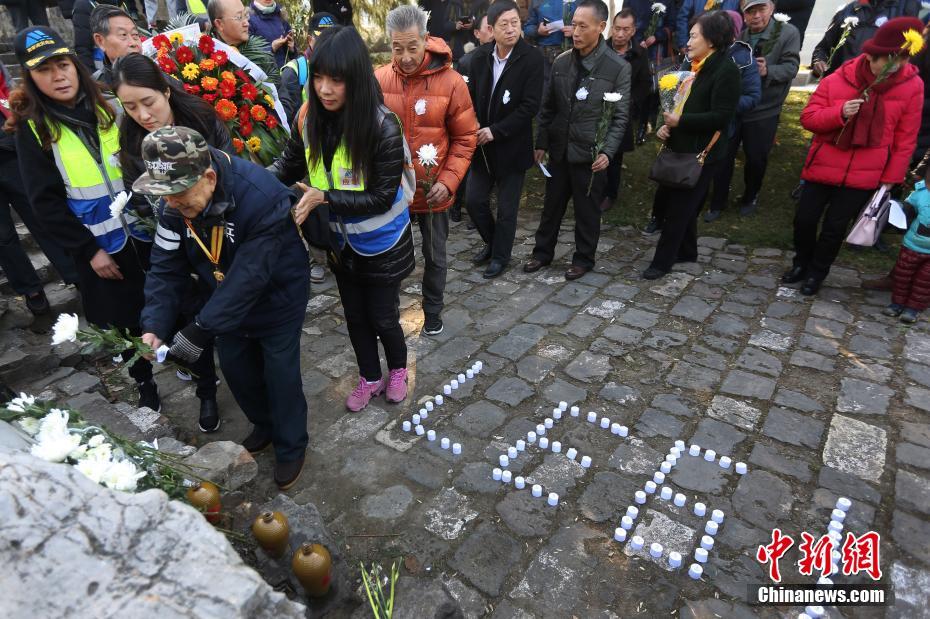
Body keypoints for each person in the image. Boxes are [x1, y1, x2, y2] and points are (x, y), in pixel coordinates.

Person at [135, 126, 310, 489]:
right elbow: (165, 269)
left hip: (276, 296)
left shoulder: (262, 196)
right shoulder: (173, 207)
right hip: (221, 304)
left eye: (180, 197)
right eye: (165, 197)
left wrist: (201, 328)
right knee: (238, 371)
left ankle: (292, 445)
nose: (172, 206)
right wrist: (153, 325)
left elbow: (251, 275)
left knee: (281, 375)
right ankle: (263, 423)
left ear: (209, 178)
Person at [9, 27, 160, 411]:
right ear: (31, 78)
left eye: (62, 65)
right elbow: (44, 203)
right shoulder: (34, 126)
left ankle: (193, 369)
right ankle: (145, 384)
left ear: (75, 64)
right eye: (45, 71)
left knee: (167, 302)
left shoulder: (110, 103)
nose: (58, 76)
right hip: (99, 246)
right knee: (124, 322)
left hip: (145, 230)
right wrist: (88, 249)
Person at [270, 26, 416, 413]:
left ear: (356, 77)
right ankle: (369, 376)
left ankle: (398, 369)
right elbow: (288, 165)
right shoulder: (308, 119)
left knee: (383, 317)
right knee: (354, 317)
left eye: (336, 79)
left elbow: (382, 196)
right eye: (318, 77)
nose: (325, 89)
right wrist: (243, 181)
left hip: (382, 242)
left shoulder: (383, 126)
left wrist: (324, 197)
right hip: (339, 245)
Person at [113, 52, 233, 432]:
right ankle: (206, 391)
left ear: (165, 90)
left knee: (221, 311)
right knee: (184, 313)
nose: (143, 115)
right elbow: (139, 194)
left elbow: (230, 174)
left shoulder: (202, 118)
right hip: (168, 237)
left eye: (148, 103)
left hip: (217, 233)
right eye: (130, 107)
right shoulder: (131, 138)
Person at [785, 17, 923, 296]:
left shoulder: (912, 86)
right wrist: (839, 113)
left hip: (865, 172)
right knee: (805, 219)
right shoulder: (839, 77)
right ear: (873, 56)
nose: (897, 66)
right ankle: (801, 262)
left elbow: (905, 138)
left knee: (835, 228)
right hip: (824, 164)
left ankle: (817, 273)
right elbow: (809, 117)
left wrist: (890, 180)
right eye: (891, 59)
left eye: (902, 59)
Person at [376, 4, 478, 336]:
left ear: (425, 40)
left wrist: (449, 182)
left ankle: (432, 311)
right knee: (388, 258)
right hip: (392, 194)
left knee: (435, 256)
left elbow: (465, 137)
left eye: (412, 47)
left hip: (434, 191)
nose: (404, 56)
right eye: (397, 47)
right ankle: (388, 313)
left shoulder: (451, 82)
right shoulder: (378, 80)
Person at [524, 0, 630, 281]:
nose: (576, 31)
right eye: (575, 25)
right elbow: (548, 109)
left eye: (584, 26)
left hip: (591, 155)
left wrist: (607, 151)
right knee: (551, 207)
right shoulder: (561, 62)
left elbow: (620, 117)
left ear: (601, 27)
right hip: (559, 150)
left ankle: (583, 258)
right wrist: (541, 143)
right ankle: (542, 253)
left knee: (587, 212)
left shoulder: (617, 68)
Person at [642, 11, 740, 280]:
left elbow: (722, 116)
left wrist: (680, 120)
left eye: (694, 35)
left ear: (711, 40)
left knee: (679, 207)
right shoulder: (695, 65)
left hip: (703, 153)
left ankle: (661, 262)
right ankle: (688, 251)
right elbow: (680, 106)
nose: (688, 40)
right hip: (681, 146)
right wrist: (668, 125)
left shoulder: (726, 70)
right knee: (680, 201)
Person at [465, 1, 544, 278]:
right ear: (491, 28)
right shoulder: (480, 58)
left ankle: (500, 256)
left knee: (508, 208)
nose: (511, 29)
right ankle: (492, 242)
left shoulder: (532, 59)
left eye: (515, 23)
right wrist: (473, 122)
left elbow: (530, 107)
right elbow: (470, 99)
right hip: (482, 148)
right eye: (504, 24)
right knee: (474, 200)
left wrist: (496, 130)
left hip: (511, 146)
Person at [706, 0, 796, 221]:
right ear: (743, 15)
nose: (756, 16)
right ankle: (718, 201)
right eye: (750, 12)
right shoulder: (741, 35)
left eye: (760, 10)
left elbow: (792, 67)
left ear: (772, 8)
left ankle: (750, 195)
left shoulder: (788, 33)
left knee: (756, 157)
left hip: (765, 108)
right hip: (737, 107)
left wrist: (769, 70)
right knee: (724, 154)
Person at [0, 62, 78, 315]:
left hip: (8, 148)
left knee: (39, 214)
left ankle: (73, 272)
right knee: (2, 235)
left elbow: (6, 87)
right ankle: (29, 288)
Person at [602, 8, 652, 212]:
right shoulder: (601, 49)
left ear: (633, 31)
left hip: (623, 111)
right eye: (617, 29)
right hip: (599, 108)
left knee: (615, 155)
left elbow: (644, 83)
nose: (620, 34)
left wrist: (630, 103)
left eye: (625, 29)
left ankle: (610, 194)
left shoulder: (639, 54)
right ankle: (593, 188)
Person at [811, 0, 920, 79]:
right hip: (841, 81)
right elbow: (823, 48)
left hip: (877, 85)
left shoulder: (905, 10)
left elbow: (911, 55)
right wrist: (819, 61)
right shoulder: (848, 11)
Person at [884, 174, 930, 324]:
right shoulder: (920, 194)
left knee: (924, 282)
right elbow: (906, 212)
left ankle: (913, 309)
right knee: (903, 276)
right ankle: (897, 304)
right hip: (912, 245)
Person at [279, 12, 336, 124]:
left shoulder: (347, 67)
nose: (329, 44)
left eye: (334, 39)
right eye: (323, 40)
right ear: (310, 40)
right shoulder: (294, 71)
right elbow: (288, 122)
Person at [523, 0, 575, 89]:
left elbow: (594, 22)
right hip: (546, 61)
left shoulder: (582, 2)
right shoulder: (537, 2)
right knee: (546, 94)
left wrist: (576, 30)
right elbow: (527, 27)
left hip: (574, 58)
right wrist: (538, 31)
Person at [90, 4, 141, 89]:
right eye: (123, 35)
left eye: (135, 34)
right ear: (100, 41)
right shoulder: (97, 90)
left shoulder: (157, 72)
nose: (133, 43)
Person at [72, 0, 125, 71]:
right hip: (105, 71)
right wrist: (92, 77)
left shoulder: (120, 3)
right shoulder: (84, 5)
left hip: (127, 66)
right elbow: (82, 47)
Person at [675, 0, 741, 51]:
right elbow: (683, 18)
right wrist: (683, 44)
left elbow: (741, 21)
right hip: (697, 43)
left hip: (724, 47)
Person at [248, 0, 295, 68]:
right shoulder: (248, 18)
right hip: (261, 74)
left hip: (282, 73)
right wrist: (271, 48)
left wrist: (291, 48)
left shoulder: (281, 15)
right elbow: (246, 53)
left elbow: (292, 56)